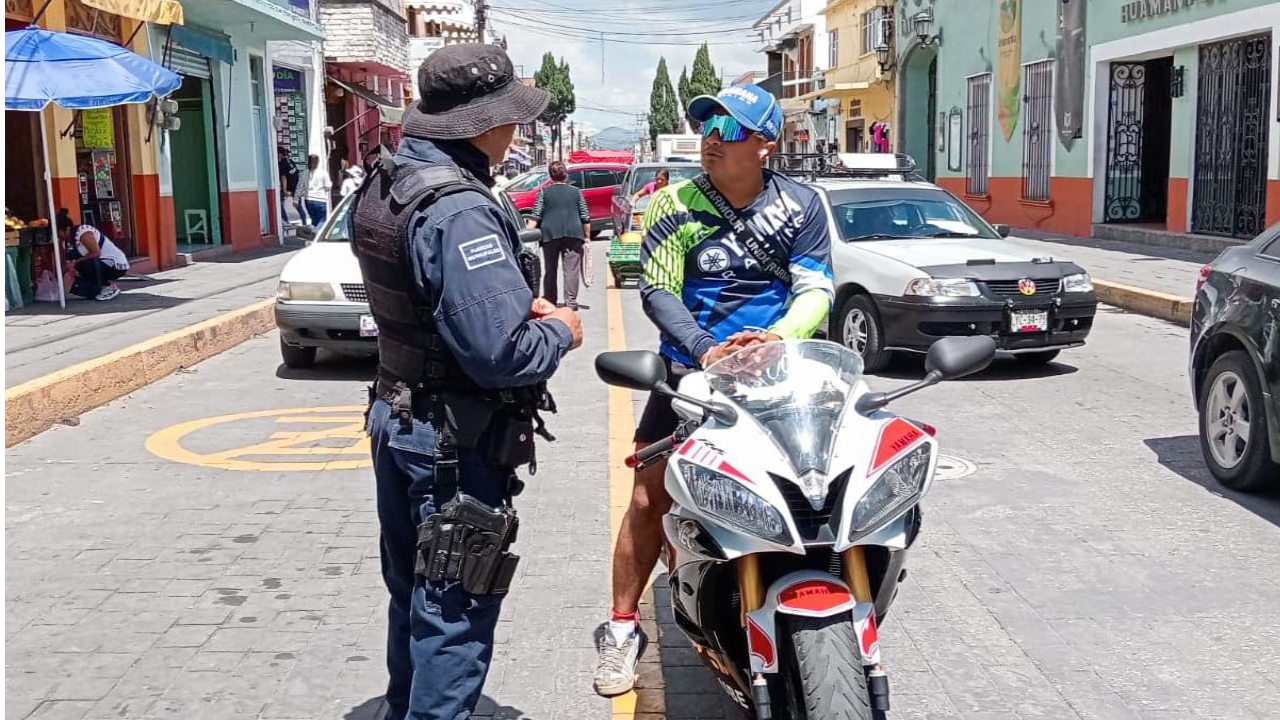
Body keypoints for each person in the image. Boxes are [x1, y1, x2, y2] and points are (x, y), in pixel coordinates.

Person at [350, 43, 583, 720]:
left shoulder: (390, 178)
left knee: (415, 596)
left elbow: (438, 306)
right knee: (454, 608)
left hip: (399, 418)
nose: (517, 130)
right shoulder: (461, 209)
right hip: (451, 443)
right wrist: (561, 329)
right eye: (510, 118)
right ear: (482, 124)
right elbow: (499, 353)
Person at [593, 83, 835, 696]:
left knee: (809, 492)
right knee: (649, 501)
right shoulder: (672, 203)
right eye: (705, 127)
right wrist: (707, 350)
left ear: (765, 145)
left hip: (780, 371)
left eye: (728, 130)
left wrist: (777, 339)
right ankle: (622, 630)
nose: (710, 140)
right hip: (690, 376)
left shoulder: (803, 205)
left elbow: (817, 289)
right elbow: (659, 291)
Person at [526, 161, 590, 310]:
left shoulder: (543, 192)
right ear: (566, 175)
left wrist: (526, 236)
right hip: (574, 233)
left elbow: (535, 215)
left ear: (550, 175)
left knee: (550, 268)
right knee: (571, 269)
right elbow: (585, 217)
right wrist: (587, 237)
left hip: (549, 234)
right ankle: (571, 302)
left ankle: (550, 299)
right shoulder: (576, 192)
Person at [56, 208, 130, 301]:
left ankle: (108, 286)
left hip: (114, 265)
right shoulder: (65, 243)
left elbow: (96, 253)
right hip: (96, 266)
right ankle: (95, 291)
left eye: (58, 233)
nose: (57, 236)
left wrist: (75, 263)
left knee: (83, 264)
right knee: (75, 286)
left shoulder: (83, 233)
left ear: (66, 229)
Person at [303, 154, 331, 227]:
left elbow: (301, 187)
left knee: (314, 220)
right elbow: (328, 187)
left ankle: (313, 234)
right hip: (320, 199)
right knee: (322, 219)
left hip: (308, 200)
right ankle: (317, 235)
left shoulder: (304, 173)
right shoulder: (323, 173)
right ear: (317, 162)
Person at [277, 146, 300, 224]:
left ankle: (286, 221)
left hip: (288, 187)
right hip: (295, 186)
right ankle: (303, 222)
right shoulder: (290, 161)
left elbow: (284, 178)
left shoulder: (282, 164)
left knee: (280, 206)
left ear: (280, 154)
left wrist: (284, 190)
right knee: (297, 206)